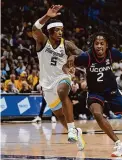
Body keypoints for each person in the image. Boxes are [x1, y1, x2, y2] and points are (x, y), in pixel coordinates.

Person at [68, 32, 122, 157]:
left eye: (101, 43)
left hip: (112, 90)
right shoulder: (86, 56)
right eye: (96, 43)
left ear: (106, 45)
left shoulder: (111, 53)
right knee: (97, 113)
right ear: (93, 45)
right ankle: (120, 144)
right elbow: (71, 61)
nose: (99, 46)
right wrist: (70, 61)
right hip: (95, 92)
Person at [32, 5, 85, 150]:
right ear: (49, 32)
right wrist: (47, 16)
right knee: (59, 115)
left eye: (61, 30)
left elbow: (82, 54)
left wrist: (74, 56)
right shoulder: (43, 42)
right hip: (46, 83)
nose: (60, 33)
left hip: (63, 77)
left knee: (62, 91)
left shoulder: (67, 44)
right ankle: (75, 132)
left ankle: (72, 129)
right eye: (57, 30)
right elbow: (34, 29)